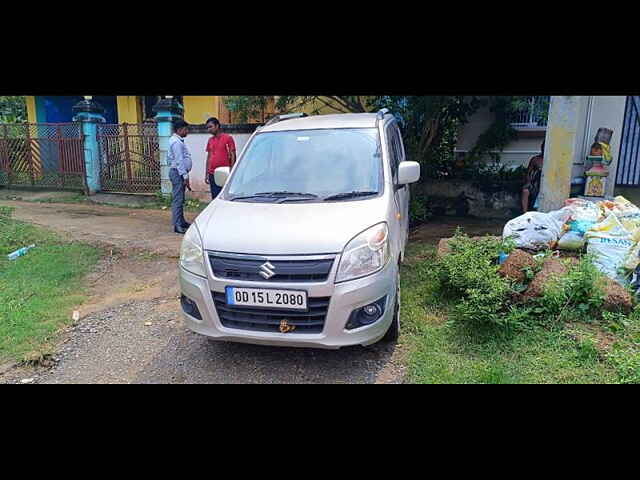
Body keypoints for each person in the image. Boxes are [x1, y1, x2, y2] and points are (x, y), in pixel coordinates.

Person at [168, 119, 192, 234]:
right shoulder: (176, 142)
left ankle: (181, 221)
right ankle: (177, 225)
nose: (187, 131)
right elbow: (179, 161)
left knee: (180, 198)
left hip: (178, 172)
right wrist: (185, 176)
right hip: (178, 173)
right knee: (178, 199)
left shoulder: (177, 140)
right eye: (186, 129)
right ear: (180, 130)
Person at [204, 117, 236, 199]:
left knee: (225, 196)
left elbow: (233, 154)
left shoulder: (228, 138)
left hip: (224, 173)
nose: (209, 129)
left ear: (217, 126)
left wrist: (232, 171)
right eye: (207, 128)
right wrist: (206, 173)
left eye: (210, 127)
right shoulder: (210, 140)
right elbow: (209, 157)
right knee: (215, 197)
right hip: (212, 173)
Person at [522, 140, 545, 213]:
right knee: (525, 191)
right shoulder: (535, 159)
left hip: (545, 186)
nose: (544, 149)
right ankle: (524, 214)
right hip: (534, 185)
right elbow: (528, 173)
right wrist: (528, 182)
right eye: (543, 147)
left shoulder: (553, 160)